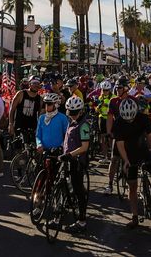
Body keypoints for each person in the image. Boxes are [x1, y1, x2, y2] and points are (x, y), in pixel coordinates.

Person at [114, 98, 151, 228]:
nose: (129, 121)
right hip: (129, 154)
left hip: (144, 151)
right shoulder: (118, 122)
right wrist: (126, 161)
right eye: (126, 119)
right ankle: (134, 216)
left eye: (131, 118)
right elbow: (120, 144)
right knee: (132, 186)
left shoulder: (143, 118)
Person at [61, 96, 91, 233]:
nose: (72, 115)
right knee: (68, 185)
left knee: (79, 191)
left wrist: (69, 155)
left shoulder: (83, 125)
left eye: (74, 113)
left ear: (80, 111)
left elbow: (84, 147)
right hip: (69, 159)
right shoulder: (71, 121)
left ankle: (82, 221)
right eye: (70, 112)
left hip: (78, 161)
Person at [104, 77, 133, 195]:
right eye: (116, 87)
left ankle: (133, 184)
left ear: (126, 88)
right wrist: (108, 131)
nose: (117, 89)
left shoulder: (133, 100)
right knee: (114, 159)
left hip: (130, 134)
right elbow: (110, 117)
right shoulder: (113, 101)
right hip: (118, 134)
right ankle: (110, 184)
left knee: (132, 159)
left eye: (119, 87)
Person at [9, 77, 42, 144]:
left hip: (32, 128)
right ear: (29, 84)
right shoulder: (21, 94)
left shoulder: (40, 99)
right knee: (18, 150)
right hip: (19, 127)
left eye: (38, 83)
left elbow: (40, 115)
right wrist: (10, 124)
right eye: (34, 83)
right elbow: (12, 110)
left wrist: (39, 129)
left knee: (31, 150)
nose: (36, 85)